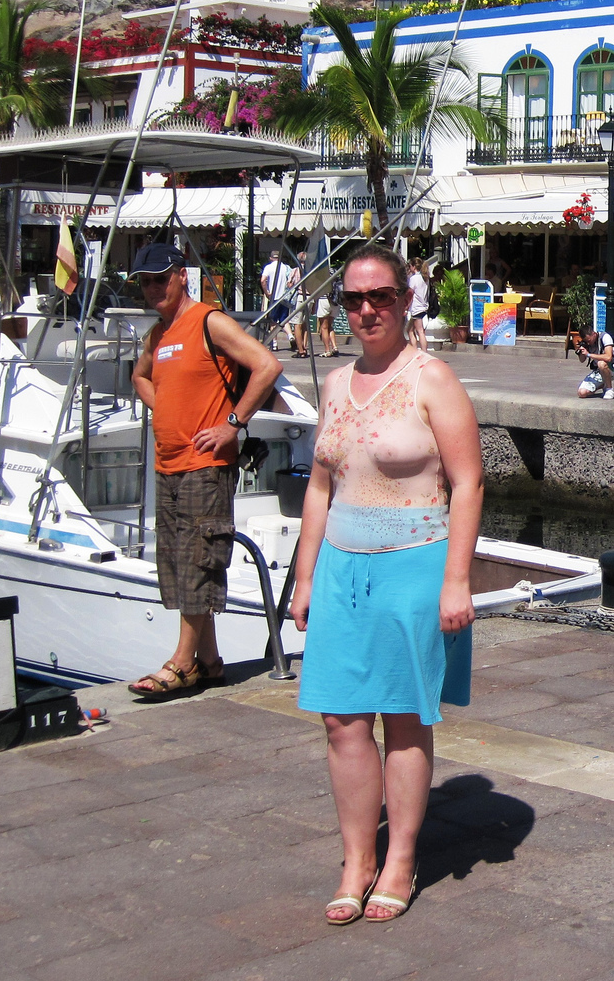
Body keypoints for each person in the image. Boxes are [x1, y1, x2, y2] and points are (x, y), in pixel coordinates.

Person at [291, 243, 483, 925]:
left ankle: (399, 857)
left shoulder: (432, 378)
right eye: (353, 299)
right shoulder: (336, 382)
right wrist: (304, 576)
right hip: (341, 567)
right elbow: (320, 486)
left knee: (403, 717)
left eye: (381, 296)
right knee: (341, 718)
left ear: (405, 300)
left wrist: (456, 581)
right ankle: (356, 859)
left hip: (413, 564)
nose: (367, 310)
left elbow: (468, 483)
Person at [128, 243, 282, 699]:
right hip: (168, 465)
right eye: (145, 281)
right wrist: (166, 409)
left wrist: (232, 423)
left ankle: (182, 662)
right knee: (179, 562)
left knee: (199, 560)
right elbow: (139, 376)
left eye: (160, 278)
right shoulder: (158, 335)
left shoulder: (208, 321)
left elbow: (267, 365)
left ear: (181, 276)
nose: (153, 288)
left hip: (205, 467)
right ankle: (209, 660)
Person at [260, 250, 293, 351]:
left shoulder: (268, 267)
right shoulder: (286, 268)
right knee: (284, 319)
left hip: (274, 297)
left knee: (273, 321)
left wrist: (267, 292)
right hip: (284, 297)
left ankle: (274, 343)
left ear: (271, 258)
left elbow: (263, 280)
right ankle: (290, 335)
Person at [576, 324, 614, 399]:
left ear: (593, 334)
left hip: (611, 367)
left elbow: (608, 357)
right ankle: (602, 384)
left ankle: (609, 389)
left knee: (601, 363)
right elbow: (582, 360)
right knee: (582, 393)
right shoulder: (587, 343)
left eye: (589, 340)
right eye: (586, 341)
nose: (588, 343)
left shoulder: (605, 337)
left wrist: (589, 354)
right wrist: (582, 350)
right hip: (599, 371)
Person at [287, 252, 309, 358]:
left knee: (297, 324)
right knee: (305, 324)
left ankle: (300, 350)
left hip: (300, 297)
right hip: (310, 297)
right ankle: (304, 346)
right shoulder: (312, 270)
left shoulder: (295, 270)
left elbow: (289, 284)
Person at [407, 256, 429, 352]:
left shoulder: (414, 279)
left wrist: (406, 306)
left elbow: (410, 293)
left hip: (416, 307)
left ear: (413, 266)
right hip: (423, 306)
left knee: (420, 331)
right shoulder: (424, 278)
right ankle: (415, 350)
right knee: (410, 330)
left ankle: (422, 351)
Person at [315, 276, 340, 357]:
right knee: (329, 325)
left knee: (324, 327)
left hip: (324, 299)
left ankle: (327, 350)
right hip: (336, 301)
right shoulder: (336, 275)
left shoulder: (322, 275)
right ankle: (334, 347)